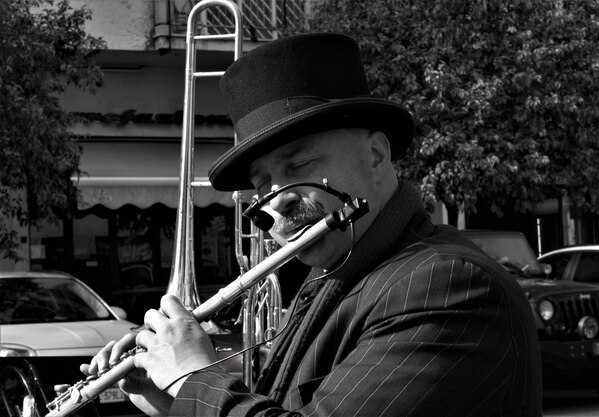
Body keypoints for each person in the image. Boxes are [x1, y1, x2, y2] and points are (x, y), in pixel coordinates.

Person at [82, 32, 542, 416]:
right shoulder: (335, 275)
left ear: (376, 155)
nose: (276, 204)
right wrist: (171, 397)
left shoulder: (443, 285)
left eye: (298, 165)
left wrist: (193, 379)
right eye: (262, 184)